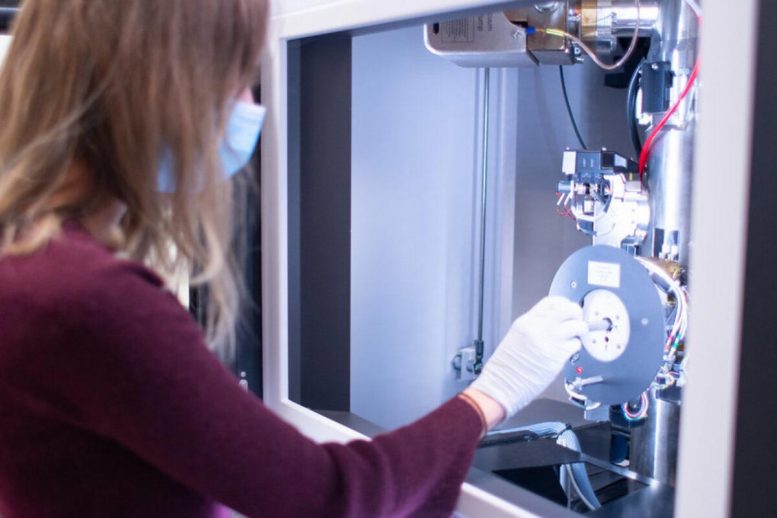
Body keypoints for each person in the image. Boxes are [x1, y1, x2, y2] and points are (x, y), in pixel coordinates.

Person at [0, 1, 587, 516]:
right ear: (161, 89)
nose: (249, 103)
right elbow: (327, 498)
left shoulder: (30, 262)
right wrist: (493, 394)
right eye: (236, 76)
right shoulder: (90, 301)